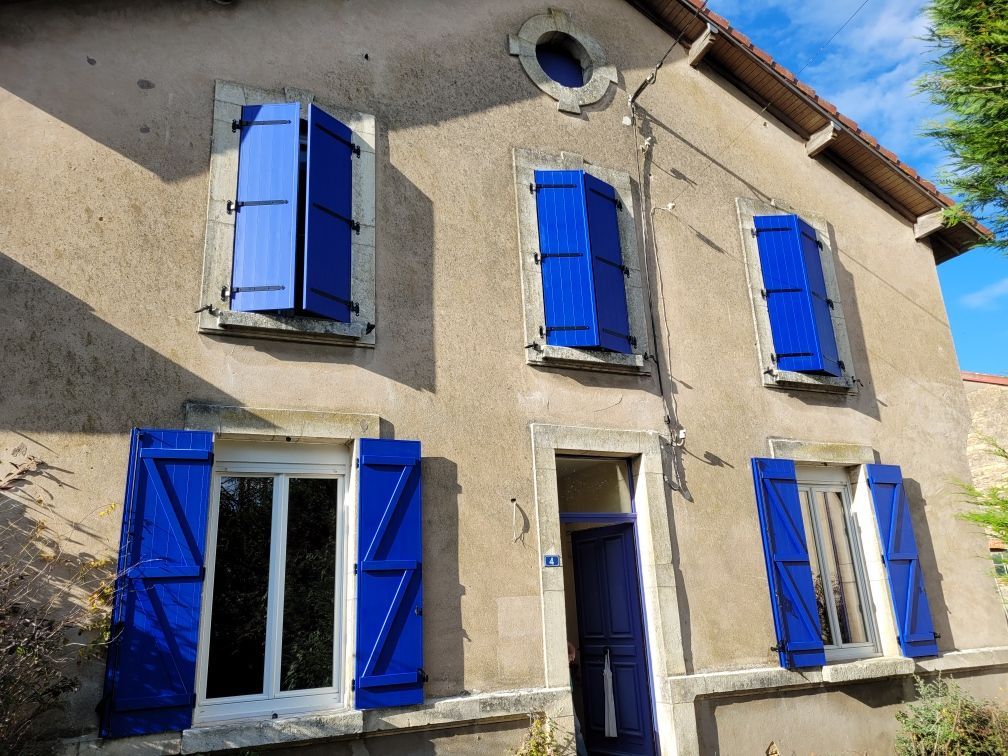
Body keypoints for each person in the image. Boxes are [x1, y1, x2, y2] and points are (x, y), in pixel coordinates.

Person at [568, 641, 588, 756]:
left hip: (568, 693)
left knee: (576, 728)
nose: (571, 661)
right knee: (576, 728)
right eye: (570, 659)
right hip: (565, 694)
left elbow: (572, 649)